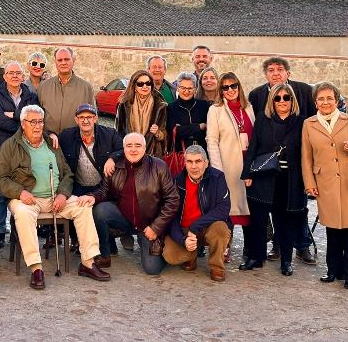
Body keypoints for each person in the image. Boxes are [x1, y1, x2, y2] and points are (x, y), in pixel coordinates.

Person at [0, 105, 110, 288]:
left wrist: (63, 194)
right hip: (27, 199)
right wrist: (20, 192)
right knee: (23, 214)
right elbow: (0, 179)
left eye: (40, 122)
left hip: (55, 197)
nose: (38, 126)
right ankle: (36, 268)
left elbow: (67, 174)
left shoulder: (52, 143)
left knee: (83, 205)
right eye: (33, 122)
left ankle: (88, 262)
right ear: (23, 124)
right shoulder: (10, 146)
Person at [302, 81, 348, 289]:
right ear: (315, 102)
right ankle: (333, 270)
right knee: (332, 229)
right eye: (321, 99)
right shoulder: (309, 124)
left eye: (329, 98)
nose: (325, 102)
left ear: (336, 100)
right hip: (325, 182)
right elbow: (306, 157)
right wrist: (309, 183)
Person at [248, 56, 317, 265]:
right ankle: (277, 245)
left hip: (296, 163)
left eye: (280, 69)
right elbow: (257, 133)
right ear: (265, 74)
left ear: (288, 73)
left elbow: (313, 123)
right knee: (272, 208)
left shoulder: (304, 91)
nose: (276, 73)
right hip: (269, 165)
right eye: (271, 70)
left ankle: (302, 245)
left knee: (297, 207)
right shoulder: (256, 95)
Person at [88, 132, 180, 274]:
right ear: (123, 149)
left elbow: (173, 200)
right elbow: (104, 191)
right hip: (124, 219)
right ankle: (105, 254)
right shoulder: (115, 167)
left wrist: (156, 227)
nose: (133, 149)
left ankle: (166, 246)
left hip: (149, 225)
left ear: (145, 148)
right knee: (100, 210)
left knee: (152, 269)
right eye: (129, 146)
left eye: (138, 145)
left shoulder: (159, 166)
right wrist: (92, 197)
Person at [241, 83, 307, 276]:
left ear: (292, 100)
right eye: (277, 98)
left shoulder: (302, 122)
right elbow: (253, 147)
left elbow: (307, 153)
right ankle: (256, 257)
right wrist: (247, 173)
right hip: (264, 176)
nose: (282, 102)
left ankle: (286, 260)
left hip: (290, 179)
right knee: (258, 220)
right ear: (272, 101)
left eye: (286, 98)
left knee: (285, 222)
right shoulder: (263, 119)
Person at [0, 61, 39, 248]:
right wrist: (21, 120)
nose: (15, 76)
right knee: (1, 189)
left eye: (18, 73)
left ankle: (18, 231)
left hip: (26, 149)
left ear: (23, 76)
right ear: (5, 76)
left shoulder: (31, 96)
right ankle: (0, 230)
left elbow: (34, 119)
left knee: (23, 188)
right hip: (1, 149)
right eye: (11, 73)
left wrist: (13, 115)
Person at [163, 145, 231, 281]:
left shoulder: (217, 177)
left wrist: (195, 227)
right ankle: (191, 254)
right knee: (170, 255)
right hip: (184, 230)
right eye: (189, 161)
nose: (194, 166)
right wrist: (183, 241)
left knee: (221, 229)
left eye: (198, 161)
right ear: (185, 163)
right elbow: (173, 216)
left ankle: (217, 267)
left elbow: (223, 209)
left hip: (207, 227)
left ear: (206, 163)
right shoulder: (177, 181)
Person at [59, 104, 122, 252]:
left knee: (101, 211)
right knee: (76, 205)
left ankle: (107, 243)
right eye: (82, 117)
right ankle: (78, 240)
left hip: (102, 185)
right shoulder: (66, 136)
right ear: (76, 119)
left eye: (89, 117)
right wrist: (53, 135)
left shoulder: (109, 134)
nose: (85, 121)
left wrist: (112, 158)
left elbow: (123, 149)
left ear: (96, 118)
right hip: (78, 184)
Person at [206, 71, 254, 265]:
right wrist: (218, 169)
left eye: (233, 86)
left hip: (248, 164)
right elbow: (212, 140)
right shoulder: (215, 110)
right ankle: (225, 246)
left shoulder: (248, 107)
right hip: (228, 165)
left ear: (239, 87)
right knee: (228, 209)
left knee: (249, 208)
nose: (230, 90)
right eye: (225, 87)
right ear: (221, 90)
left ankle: (251, 248)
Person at [37, 47, 95, 135]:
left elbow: (93, 118)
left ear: (73, 60)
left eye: (67, 59)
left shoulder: (86, 88)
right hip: (49, 141)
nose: (63, 62)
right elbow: (38, 115)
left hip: (75, 142)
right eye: (60, 60)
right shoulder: (44, 87)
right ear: (55, 62)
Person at [114, 69, 168, 156]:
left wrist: (158, 132)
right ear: (134, 86)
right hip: (130, 153)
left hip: (152, 153)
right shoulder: (124, 105)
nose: (145, 86)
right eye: (140, 84)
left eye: (148, 83)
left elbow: (165, 133)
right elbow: (118, 131)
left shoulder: (160, 105)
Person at [165, 72, 210, 153]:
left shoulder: (204, 106)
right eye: (183, 88)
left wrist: (183, 128)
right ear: (177, 88)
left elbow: (208, 131)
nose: (186, 91)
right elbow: (174, 132)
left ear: (195, 89)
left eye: (190, 88)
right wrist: (199, 127)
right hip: (180, 153)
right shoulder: (171, 108)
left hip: (203, 151)